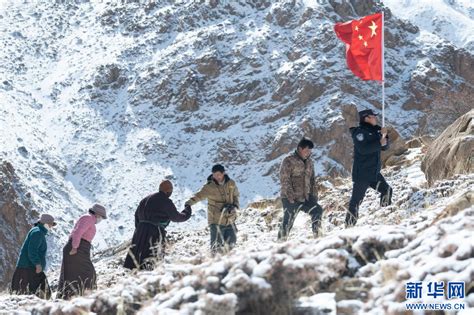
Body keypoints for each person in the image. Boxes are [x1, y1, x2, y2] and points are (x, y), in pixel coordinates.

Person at [124, 180, 191, 270]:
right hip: (155, 232)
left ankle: (134, 280)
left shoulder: (145, 199)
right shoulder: (165, 201)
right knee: (151, 260)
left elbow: (136, 216)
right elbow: (176, 217)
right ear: (169, 191)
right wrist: (187, 210)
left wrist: (139, 230)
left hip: (139, 233)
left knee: (136, 260)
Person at [345, 109, 392, 227]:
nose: (375, 118)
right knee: (356, 201)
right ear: (366, 118)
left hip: (374, 172)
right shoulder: (359, 133)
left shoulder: (377, 131)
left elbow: (384, 148)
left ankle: (385, 217)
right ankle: (349, 226)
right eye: (373, 117)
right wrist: (379, 143)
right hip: (362, 173)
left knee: (387, 190)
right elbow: (363, 149)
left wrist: (385, 137)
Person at [185, 164, 239, 255]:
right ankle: (214, 266)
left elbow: (235, 195)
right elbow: (198, 196)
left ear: (223, 173)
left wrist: (235, 206)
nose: (216, 177)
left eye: (218, 174)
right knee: (216, 249)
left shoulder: (231, 183)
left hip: (230, 220)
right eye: (214, 174)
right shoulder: (209, 187)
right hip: (216, 222)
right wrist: (188, 203)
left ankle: (228, 265)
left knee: (231, 246)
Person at [56, 204, 107, 299]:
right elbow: (78, 232)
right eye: (102, 217)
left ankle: (76, 295)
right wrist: (74, 247)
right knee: (85, 273)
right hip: (76, 249)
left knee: (78, 273)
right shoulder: (87, 218)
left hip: (81, 250)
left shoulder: (90, 220)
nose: (101, 220)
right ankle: (73, 296)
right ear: (97, 214)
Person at [277, 138, 324, 241]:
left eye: (310, 151)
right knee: (288, 222)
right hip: (290, 198)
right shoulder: (288, 160)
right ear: (299, 148)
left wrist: (313, 196)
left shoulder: (310, 162)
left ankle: (318, 238)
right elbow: (284, 179)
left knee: (317, 210)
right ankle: (280, 243)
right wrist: (291, 197)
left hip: (305, 197)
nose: (308, 153)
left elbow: (312, 180)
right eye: (307, 150)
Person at [10, 214, 56, 299]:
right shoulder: (37, 233)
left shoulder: (38, 231)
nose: (51, 227)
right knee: (40, 294)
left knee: (41, 293)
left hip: (31, 268)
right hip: (29, 269)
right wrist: (37, 264)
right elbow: (32, 251)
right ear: (45, 224)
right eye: (50, 224)